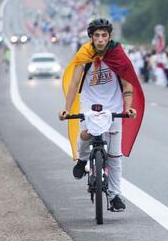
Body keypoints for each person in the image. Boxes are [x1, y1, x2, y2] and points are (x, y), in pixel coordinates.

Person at [59, 19, 142, 213]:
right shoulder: (84, 55)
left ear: (109, 37)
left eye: (104, 35)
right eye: (97, 35)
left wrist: (128, 108)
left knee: (114, 156)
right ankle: (82, 159)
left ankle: (114, 196)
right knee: (86, 134)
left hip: (113, 105)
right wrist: (67, 109)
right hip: (90, 103)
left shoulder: (118, 55)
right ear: (91, 37)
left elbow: (127, 84)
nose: (101, 39)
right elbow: (74, 84)